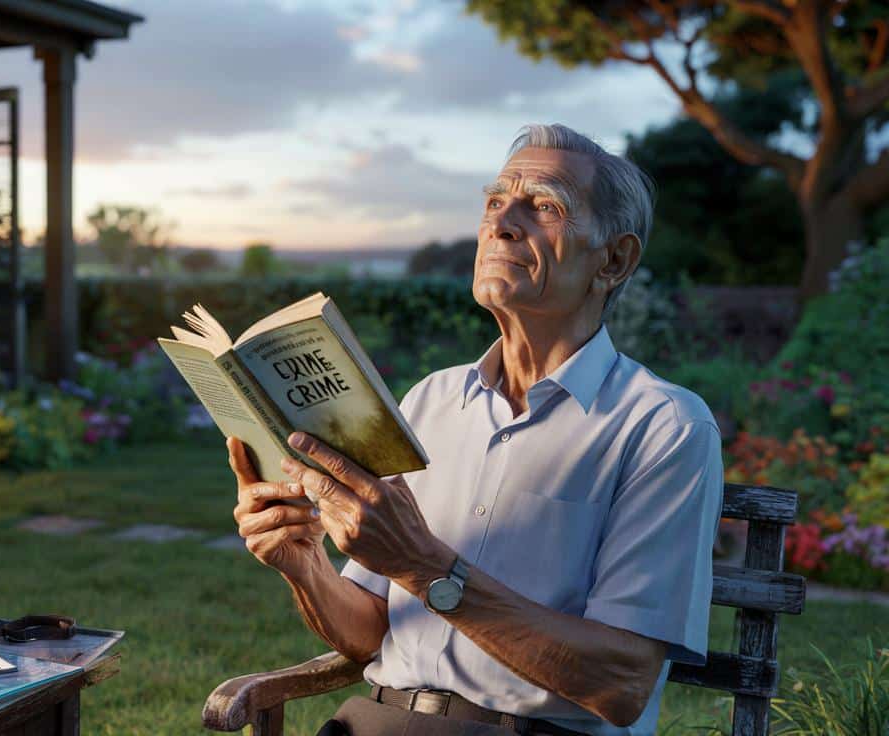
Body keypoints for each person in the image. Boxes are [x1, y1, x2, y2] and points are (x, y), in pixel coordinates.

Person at [229, 123, 722, 736]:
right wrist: (303, 564)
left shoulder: (662, 427)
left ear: (614, 260)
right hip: (374, 722)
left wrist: (424, 566)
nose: (502, 223)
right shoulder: (431, 399)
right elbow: (369, 633)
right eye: (495, 202)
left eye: (545, 206)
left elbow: (620, 684)